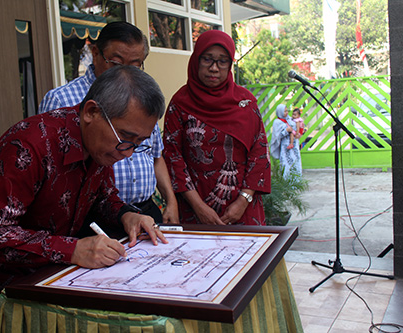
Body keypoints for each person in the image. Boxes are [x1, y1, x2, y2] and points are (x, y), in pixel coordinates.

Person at [0, 66, 168, 333]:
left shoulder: (100, 144)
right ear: (91, 112)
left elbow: (102, 198)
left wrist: (127, 215)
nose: (128, 153)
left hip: (43, 279)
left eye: (138, 143)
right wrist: (73, 249)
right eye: (125, 138)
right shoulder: (27, 146)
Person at [39, 21, 178, 225]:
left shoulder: (144, 101)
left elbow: (155, 156)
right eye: (116, 63)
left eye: (136, 66)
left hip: (143, 212)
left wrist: (171, 201)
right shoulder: (62, 100)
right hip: (93, 218)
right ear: (95, 53)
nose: (127, 73)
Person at [162, 30, 271, 226]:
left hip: (243, 209)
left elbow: (259, 153)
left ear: (230, 65)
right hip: (194, 208)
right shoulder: (180, 104)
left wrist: (243, 201)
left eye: (222, 61)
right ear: (196, 60)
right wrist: (198, 207)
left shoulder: (245, 102)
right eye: (207, 59)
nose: (214, 68)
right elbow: (173, 158)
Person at [270, 104, 303, 179]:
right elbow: (276, 136)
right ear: (280, 112)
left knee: (295, 163)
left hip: (294, 147)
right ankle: (287, 182)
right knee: (286, 165)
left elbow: (297, 127)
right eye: (284, 111)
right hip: (286, 149)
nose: (286, 113)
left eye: (287, 111)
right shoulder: (277, 122)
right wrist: (286, 131)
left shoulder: (290, 120)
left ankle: (297, 182)